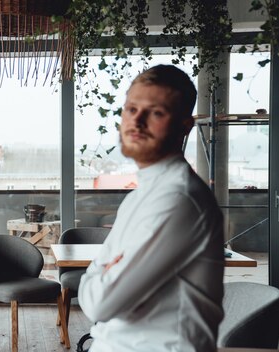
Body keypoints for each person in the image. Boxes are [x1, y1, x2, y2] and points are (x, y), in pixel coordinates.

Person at [78, 65, 225, 351]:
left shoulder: (178, 198)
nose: (138, 121)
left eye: (156, 112)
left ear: (185, 125)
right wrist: (102, 272)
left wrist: (99, 273)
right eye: (131, 109)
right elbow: (102, 286)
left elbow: (99, 304)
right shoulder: (142, 194)